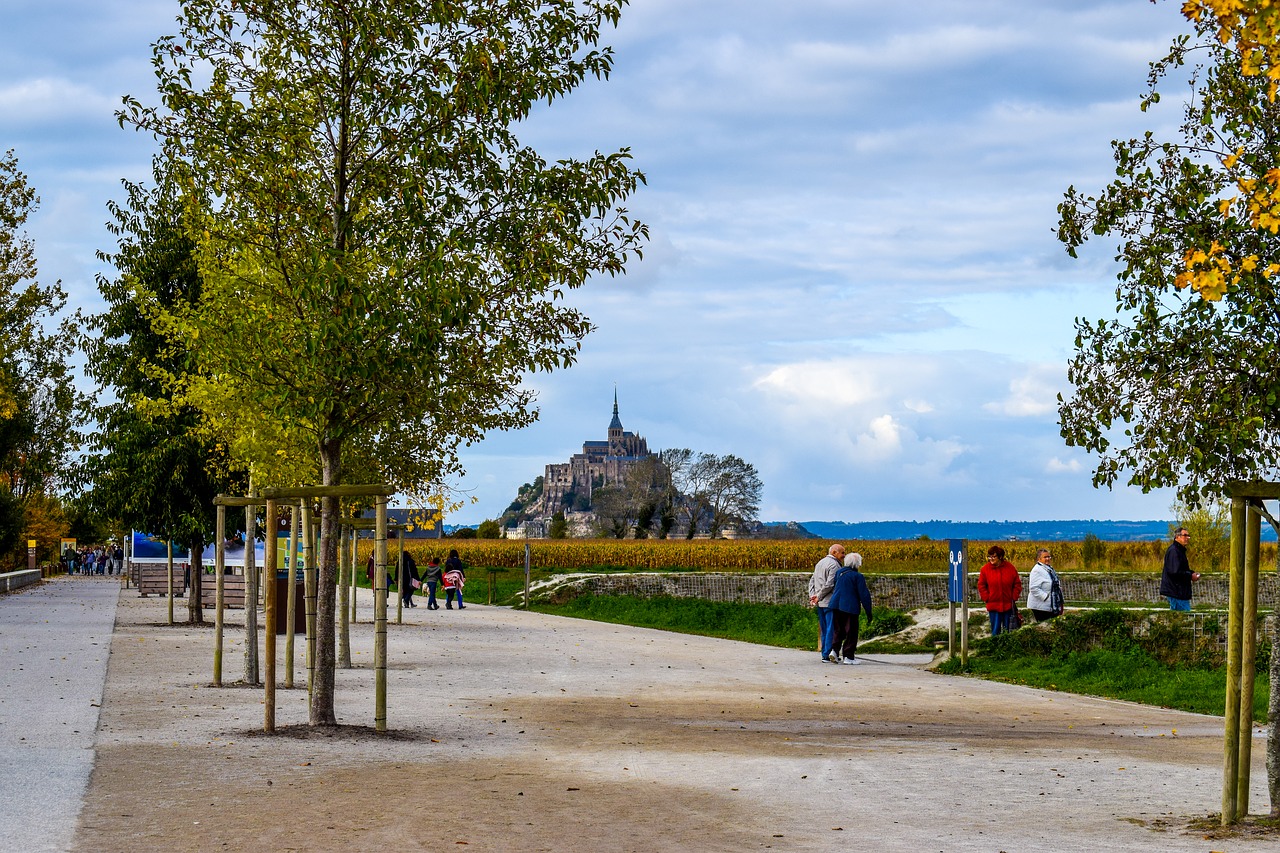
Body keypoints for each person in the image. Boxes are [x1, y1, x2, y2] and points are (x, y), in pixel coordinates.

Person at [828, 552, 873, 665]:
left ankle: (834, 651)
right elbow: (864, 594)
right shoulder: (858, 576)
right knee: (851, 631)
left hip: (835, 604)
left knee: (838, 629)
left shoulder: (839, 573)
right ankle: (848, 657)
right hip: (850, 606)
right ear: (858, 564)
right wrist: (868, 611)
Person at [808, 543, 845, 663]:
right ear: (834, 552)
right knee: (831, 628)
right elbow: (829, 584)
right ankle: (828, 652)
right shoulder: (834, 566)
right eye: (842, 553)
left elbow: (812, 581)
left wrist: (813, 596)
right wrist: (818, 597)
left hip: (820, 603)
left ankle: (824, 652)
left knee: (824, 628)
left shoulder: (820, 562)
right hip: (830, 601)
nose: (844, 556)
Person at [977, 545, 1022, 637]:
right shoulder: (985, 569)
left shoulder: (1010, 568)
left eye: (994, 556)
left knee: (1008, 631)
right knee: (995, 631)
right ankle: (995, 648)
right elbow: (981, 585)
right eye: (989, 556)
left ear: (1000, 557)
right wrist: (986, 597)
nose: (991, 559)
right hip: (993, 605)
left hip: (1008, 605)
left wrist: (1014, 597)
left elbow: (1017, 584)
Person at [1159, 527, 1199, 611]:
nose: (1187, 538)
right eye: (1185, 535)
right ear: (1177, 537)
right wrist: (1190, 575)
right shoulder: (1174, 551)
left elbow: (1179, 569)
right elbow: (1175, 572)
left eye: (1188, 536)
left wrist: (1191, 573)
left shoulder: (1179, 550)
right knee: (1184, 618)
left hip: (1179, 592)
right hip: (1176, 592)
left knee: (1178, 618)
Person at [1026, 548, 1064, 623]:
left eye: (1049, 557)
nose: (1047, 559)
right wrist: (1046, 597)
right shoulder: (1037, 570)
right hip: (1041, 607)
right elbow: (1034, 588)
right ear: (1039, 558)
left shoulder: (1049, 569)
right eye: (1045, 557)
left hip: (1052, 605)